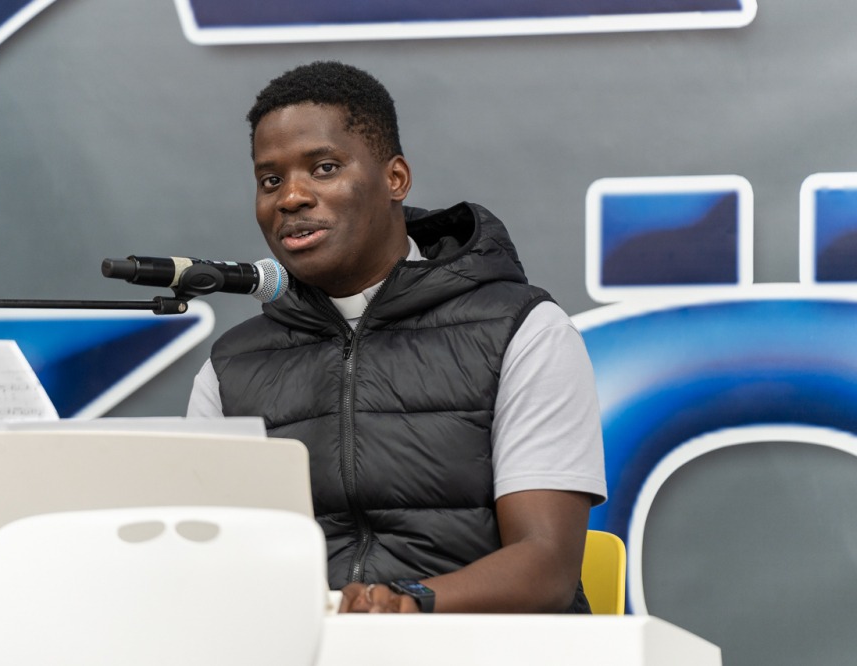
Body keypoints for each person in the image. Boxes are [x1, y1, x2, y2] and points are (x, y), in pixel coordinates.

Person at [187, 61, 606, 614]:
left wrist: (405, 604)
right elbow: (205, 564)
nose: (291, 198)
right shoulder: (230, 368)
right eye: (271, 181)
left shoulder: (522, 331)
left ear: (396, 179)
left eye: (324, 168)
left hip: (477, 644)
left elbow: (546, 567)